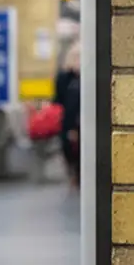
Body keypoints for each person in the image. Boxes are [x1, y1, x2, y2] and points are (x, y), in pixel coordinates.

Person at [53, 45, 83, 187]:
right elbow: (58, 99)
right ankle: (73, 173)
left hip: (79, 121)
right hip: (68, 120)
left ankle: (78, 174)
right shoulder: (65, 78)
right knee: (68, 147)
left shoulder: (83, 78)